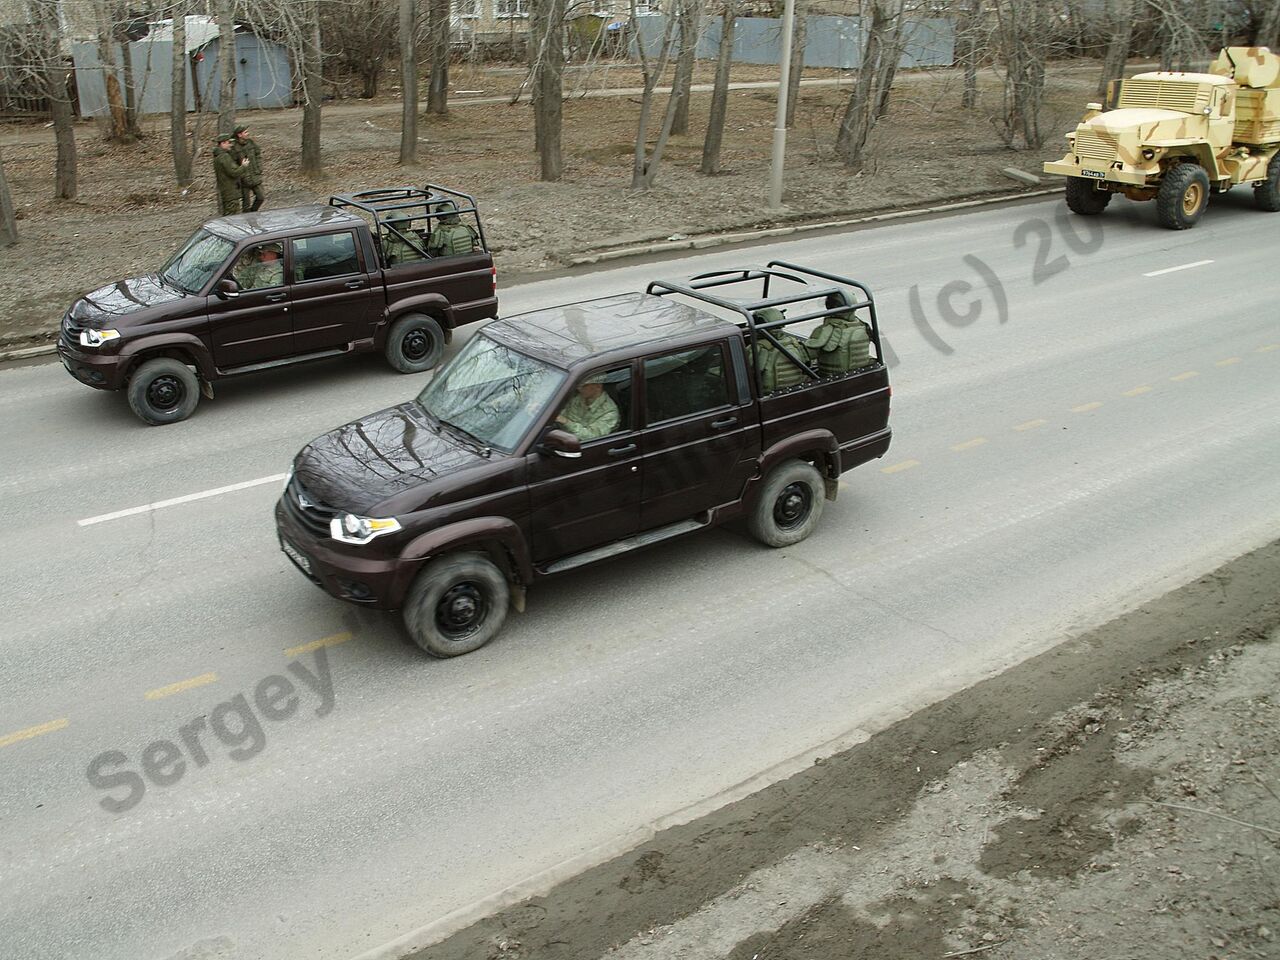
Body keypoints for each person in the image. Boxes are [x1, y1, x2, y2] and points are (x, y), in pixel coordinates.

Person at [808, 291, 873, 377]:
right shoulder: (863, 326)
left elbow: (806, 356)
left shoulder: (825, 330)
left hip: (833, 378)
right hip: (861, 373)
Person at [752, 307, 811, 392]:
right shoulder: (794, 343)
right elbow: (807, 363)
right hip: (797, 389)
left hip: (769, 395)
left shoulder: (757, 348)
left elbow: (745, 374)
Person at [555, 374, 620, 441]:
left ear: (598, 386)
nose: (578, 388)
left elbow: (591, 437)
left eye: (583, 385)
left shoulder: (609, 412)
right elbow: (562, 414)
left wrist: (566, 422)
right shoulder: (578, 398)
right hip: (561, 437)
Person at [213, 133, 249, 217]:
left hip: (228, 192)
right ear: (222, 143)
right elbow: (234, 172)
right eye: (228, 142)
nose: (231, 145)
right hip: (230, 193)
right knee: (232, 218)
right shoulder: (224, 157)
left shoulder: (219, 156)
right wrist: (243, 166)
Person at [232, 125, 264, 212]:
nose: (248, 133)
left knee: (261, 197)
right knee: (246, 204)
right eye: (245, 132)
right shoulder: (234, 147)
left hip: (255, 175)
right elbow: (233, 163)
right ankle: (247, 220)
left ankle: (253, 212)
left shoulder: (251, 143)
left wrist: (259, 167)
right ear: (239, 135)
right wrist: (240, 174)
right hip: (243, 179)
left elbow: (258, 154)